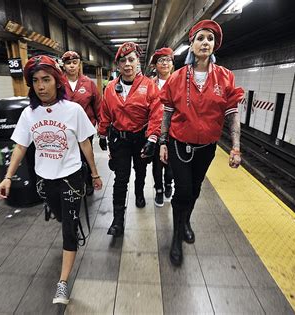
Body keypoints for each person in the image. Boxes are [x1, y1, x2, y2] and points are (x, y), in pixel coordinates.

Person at [0, 55, 103, 304]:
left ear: (57, 81)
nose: (41, 86)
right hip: (44, 181)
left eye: (46, 79)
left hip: (71, 178)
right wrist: (8, 177)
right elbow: (21, 146)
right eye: (35, 81)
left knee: (68, 229)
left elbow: (85, 143)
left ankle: (62, 283)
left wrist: (95, 174)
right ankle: (69, 223)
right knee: (61, 216)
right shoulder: (29, 113)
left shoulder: (73, 110)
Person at [158, 20, 244, 266]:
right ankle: (176, 237)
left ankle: (186, 222)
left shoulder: (225, 77)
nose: (205, 42)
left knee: (195, 190)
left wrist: (235, 147)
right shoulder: (177, 77)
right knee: (182, 190)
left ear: (214, 45)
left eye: (210, 39)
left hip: (206, 147)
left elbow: (232, 113)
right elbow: (167, 110)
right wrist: (163, 141)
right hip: (178, 143)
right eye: (200, 38)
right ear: (192, 44)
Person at [98, 42, 162, 237]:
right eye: (123, 60)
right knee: (120, 178)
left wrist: (152, 138)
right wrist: (102, 133)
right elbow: (106, 113)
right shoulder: (110, 88)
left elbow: (156, 113)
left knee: (141, 170)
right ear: (118, 65)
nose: (127, 64)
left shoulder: (149, 86)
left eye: (131, 60)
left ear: (138, 63)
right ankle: (117, 220)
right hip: (120, 140)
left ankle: (140, 192)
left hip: (141, 138)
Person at [62, 50, 101, 196]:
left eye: (74, 62)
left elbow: (98, 106)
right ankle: (72, 183)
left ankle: (88, 182)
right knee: (70, 157)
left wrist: (101, 128)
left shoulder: (89, 84)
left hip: (85, 128)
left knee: (85, 156)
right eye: (68, 63)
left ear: (79, 64)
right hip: (65, 130)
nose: (71, 66)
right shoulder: (58, 83)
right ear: (64, 66)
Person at [149, 47, 175, 207]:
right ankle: (158, 189)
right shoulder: (149, 84)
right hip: (154, 131)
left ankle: (168, 184)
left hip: (174, 131)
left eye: (168, 60)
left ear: (172, 64)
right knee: (157, 164)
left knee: (170, 163)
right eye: (161, 60)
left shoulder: (179, 81)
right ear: (155, 65)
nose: (165, 63)